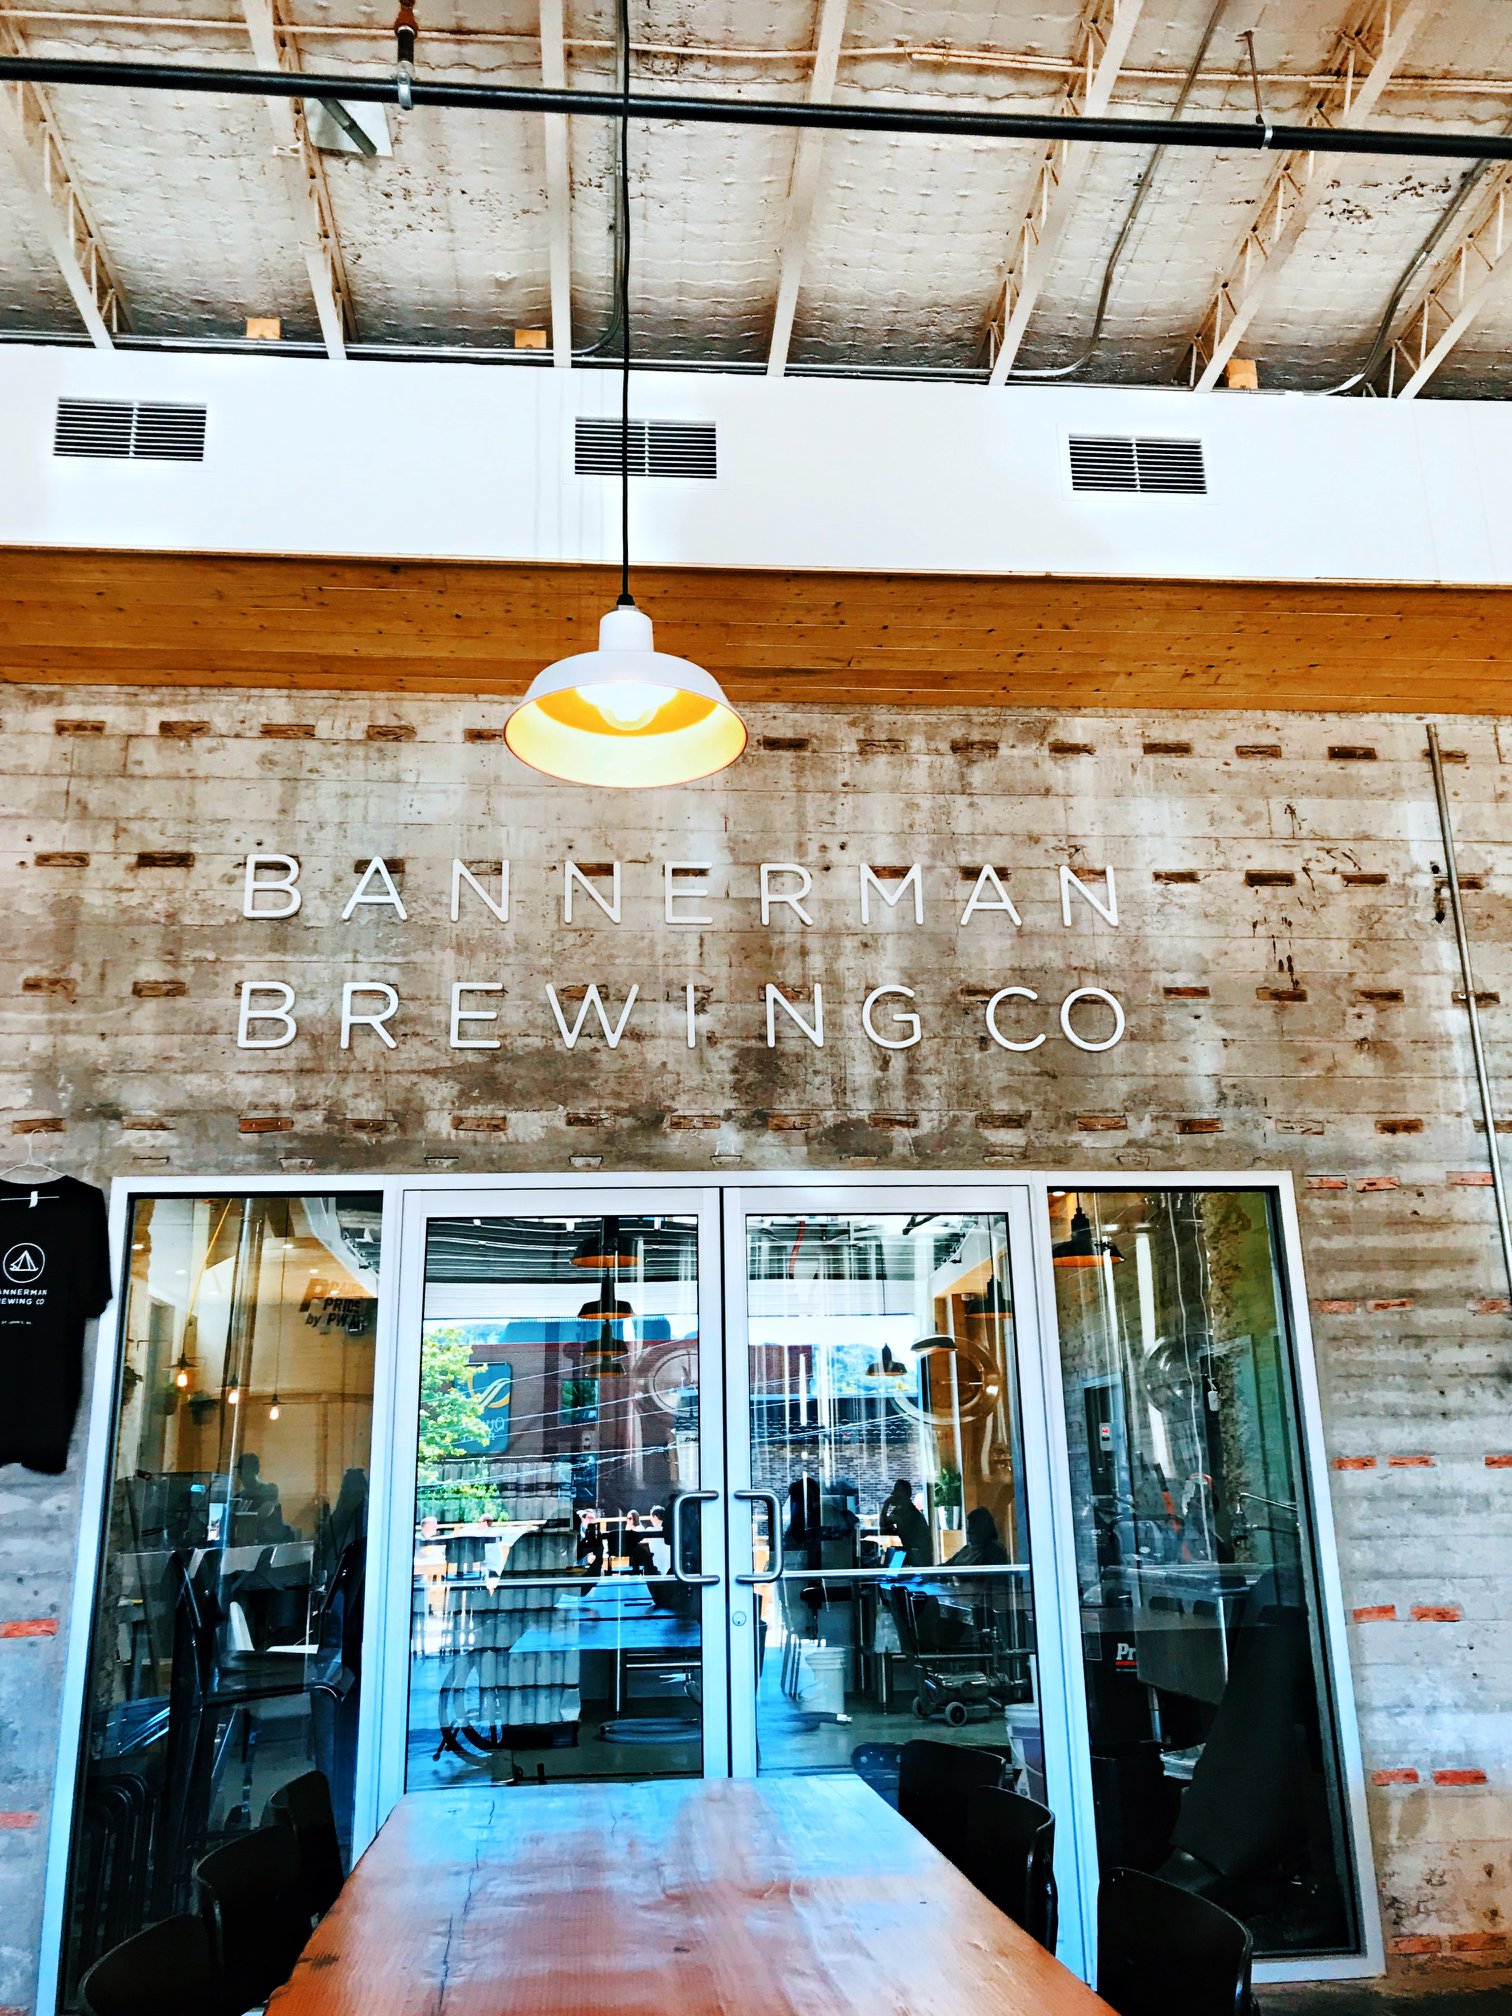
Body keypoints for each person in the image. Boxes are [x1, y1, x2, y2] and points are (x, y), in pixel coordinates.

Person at [879, 1478, 933, 1567]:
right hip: (908, 1551)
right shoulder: (899, 1510)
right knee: (891, 1572)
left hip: (918, 1554)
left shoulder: (911, 1512)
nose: (895, 1494)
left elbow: (904, 1528)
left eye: (898, 1491)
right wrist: (886, 1504)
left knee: (894, 1570)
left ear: (907, 1494)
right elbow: (883, 1527)